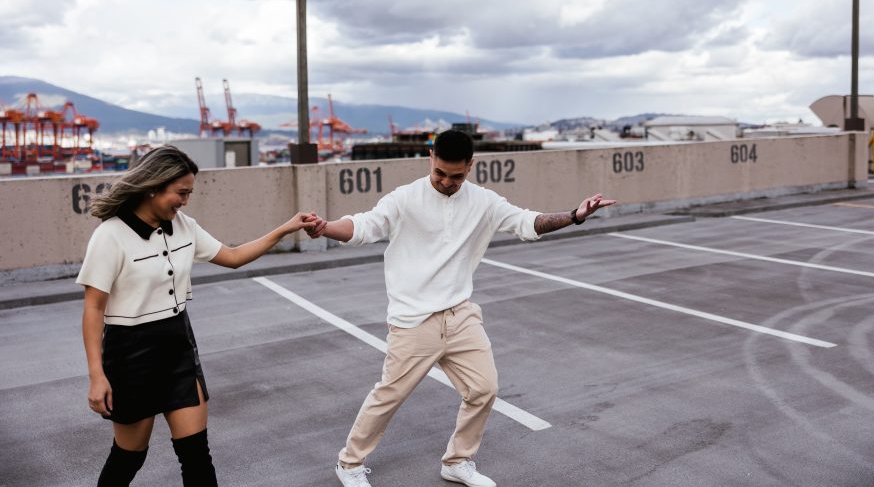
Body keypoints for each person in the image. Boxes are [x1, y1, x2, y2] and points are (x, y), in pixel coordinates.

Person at [304, 129, 616, 487]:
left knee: (484, 389)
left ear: (471, 166)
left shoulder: (483, 201)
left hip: (460, 315)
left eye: (456, 176)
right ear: (430, 158)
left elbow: (528, 223)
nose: (447, 182)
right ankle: (349, 463)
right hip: (413, 320)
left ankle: (457, 461)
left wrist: (575, 215)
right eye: (440, 173)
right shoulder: (405, 199)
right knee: (389, 395)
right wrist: (326, 228)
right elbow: (362, 226)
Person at [78, 145, 315, 486]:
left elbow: (232, 256)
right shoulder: (110, 235)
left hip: (178, 348)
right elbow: (93, 307)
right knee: (129, 456)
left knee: (196, 455)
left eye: (189, 193)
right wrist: (97, 376)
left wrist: (285, 229)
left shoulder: (184, 226)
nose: (185, 201)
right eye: (181, 193)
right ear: (153, 187)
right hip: (130, 355)